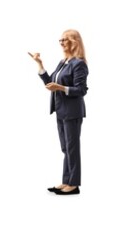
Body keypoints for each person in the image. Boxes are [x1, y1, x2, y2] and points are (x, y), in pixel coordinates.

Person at [28, 29, 88, 195]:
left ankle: (74, 184)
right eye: (60, 40)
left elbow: (81, 90)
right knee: (65, 148)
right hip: (61, 111)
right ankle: (66, 180)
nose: (61, 43)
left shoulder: (79, 63)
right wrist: (39, 64)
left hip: (72, 112)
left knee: (72, 148)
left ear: (74, 41)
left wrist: (60, 87)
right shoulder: (63, 63)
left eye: (64, 40)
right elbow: (50, 83)